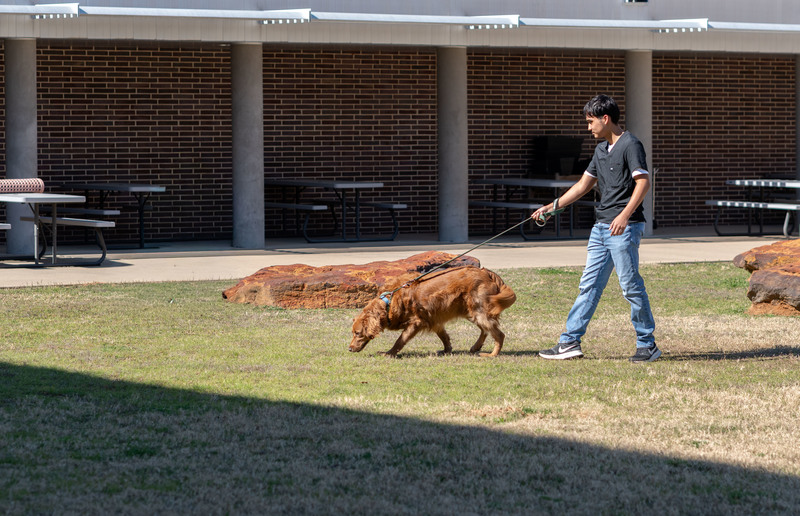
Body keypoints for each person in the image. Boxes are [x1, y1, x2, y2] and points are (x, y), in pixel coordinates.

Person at [532, 94, 659, 362]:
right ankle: (569, 343)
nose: (588, 128)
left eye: (591, 122)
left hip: (624, 228)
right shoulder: (601, 150)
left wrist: (625, 215)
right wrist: (551, 207)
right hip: (600, 228)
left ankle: (647, 345)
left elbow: (643, 182)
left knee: (630, 286)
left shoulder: (631, 144)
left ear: (606, 118)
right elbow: (582, 185)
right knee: (588, 286)